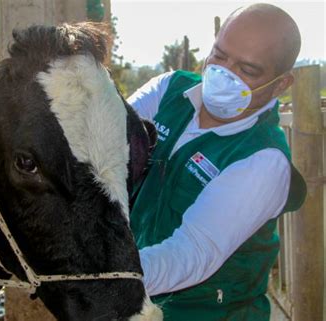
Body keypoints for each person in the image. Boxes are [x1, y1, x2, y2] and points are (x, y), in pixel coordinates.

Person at [128, 3, 307, 321]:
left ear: (280, 84)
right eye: (219, 56)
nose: (224, 74)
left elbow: (192, 252)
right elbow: (101, 135)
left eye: (247, 70)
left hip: (205, 312)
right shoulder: (169, 91)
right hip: (135, 298)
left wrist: (101, 272)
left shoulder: (262, 159)